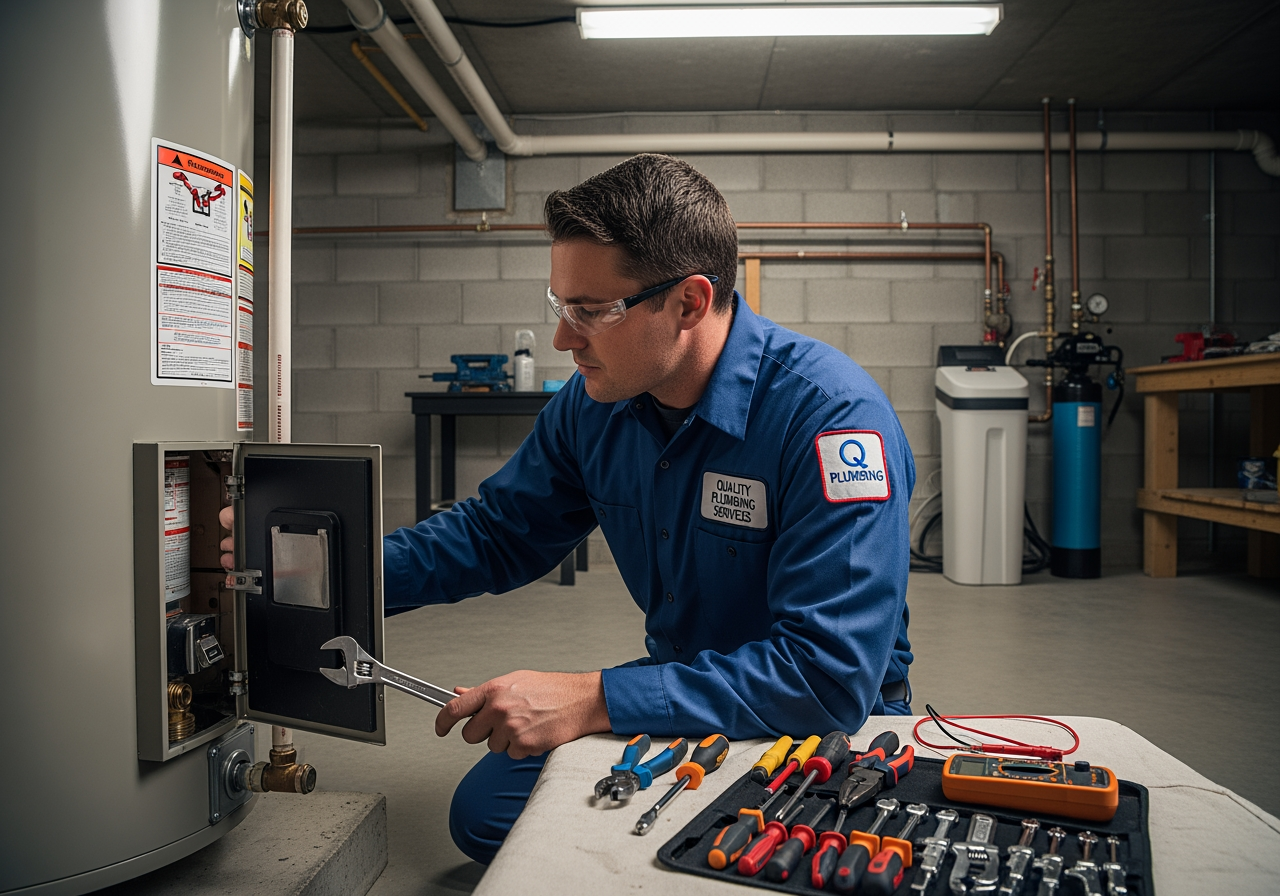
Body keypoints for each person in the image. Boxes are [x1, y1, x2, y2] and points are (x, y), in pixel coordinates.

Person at [223, 153, 914, 865]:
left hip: (823, 720)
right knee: (488, 815)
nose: (563, 338)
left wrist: (593, 699)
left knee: (761, 850)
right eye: (561, 307)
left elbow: (825, 676)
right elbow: (498, 534)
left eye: (592, 311)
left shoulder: (829, 421)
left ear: (689, 302)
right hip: (689, 692)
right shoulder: (594, 407)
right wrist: (320, 572)